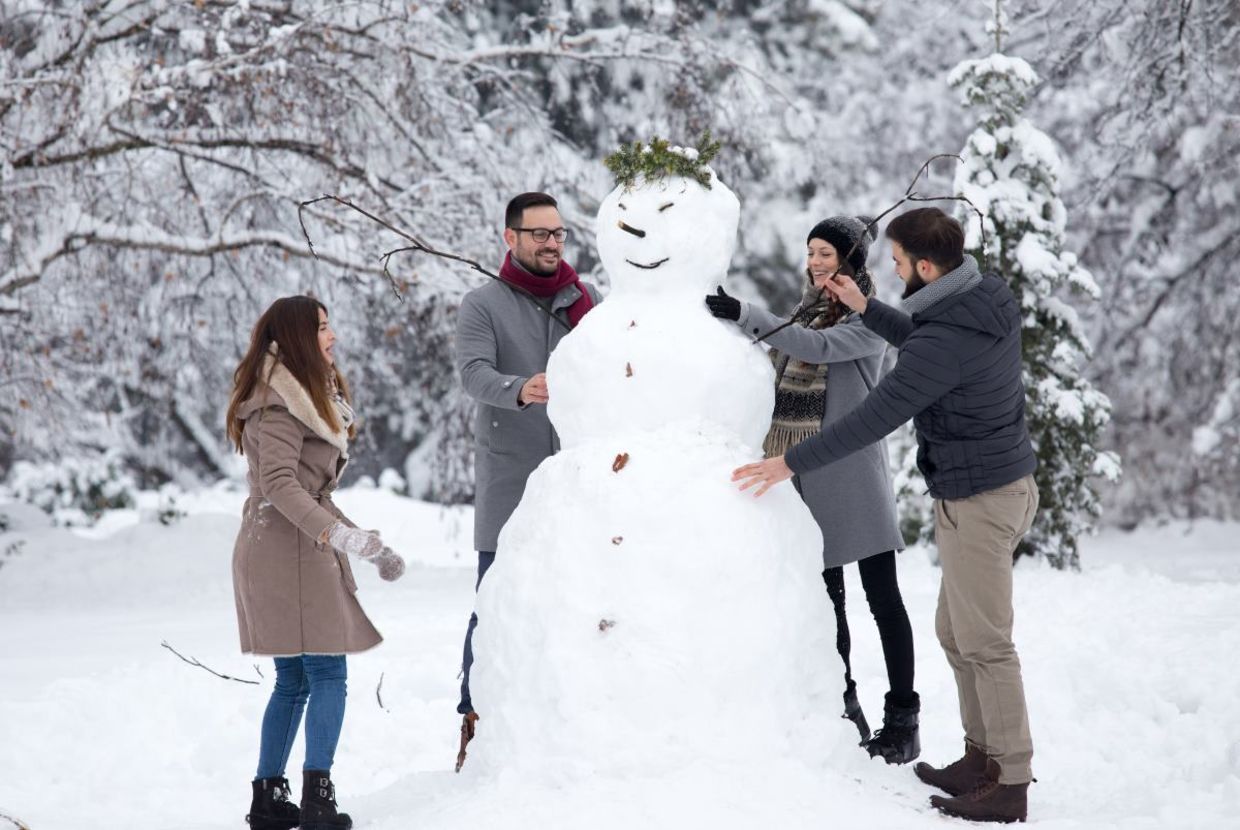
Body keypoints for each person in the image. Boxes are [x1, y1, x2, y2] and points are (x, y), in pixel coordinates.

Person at [732, 207, 1039, 824]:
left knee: (984, 642)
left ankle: (1009, 780)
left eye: (898, 263)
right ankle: (982, 758)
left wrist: (791, 464)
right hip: (981, 486)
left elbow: (878, 415)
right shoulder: (979, 298)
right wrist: (867, 305)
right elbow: (923, 340)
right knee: (957, 634)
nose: (892, 272)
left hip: (981, 496)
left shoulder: (944, 339)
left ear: (927, 267)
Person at [705, 215, 919, 764]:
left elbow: (814, 349)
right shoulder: (807, 308)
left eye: (827, 253)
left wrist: (746, 314)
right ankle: (843, 707)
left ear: (851, 260)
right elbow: (783, 352)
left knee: (882, 600)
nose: (817, 262)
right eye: (812, 252)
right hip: (798, 471)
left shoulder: (871, 318)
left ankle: (903, 720)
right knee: (828, 604)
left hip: (850, 472)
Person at [227, 295, 407, 830]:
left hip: (287, 547)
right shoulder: (279, 401)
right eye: (323, 327)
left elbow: (312, 491)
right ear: (299, 338)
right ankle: (318, 798)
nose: (333, 336)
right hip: (288, 553)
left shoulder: (300, 395)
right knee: (326, 671)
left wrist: (365, 544)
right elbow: (280, 484)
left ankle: (269, 797)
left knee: (295, 680)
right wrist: (340, 537)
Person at [453, 192, 602, 770]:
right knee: (492, 601)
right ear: (510, 238)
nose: (551, 243)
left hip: (576, 478)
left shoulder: (583, 301)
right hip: (511, 476)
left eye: (558, 233)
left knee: (578, 597)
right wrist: (519, 389)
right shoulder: (483, 303)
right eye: (538, 233)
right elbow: (473, 373)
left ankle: (568, 720)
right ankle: (473, 716)